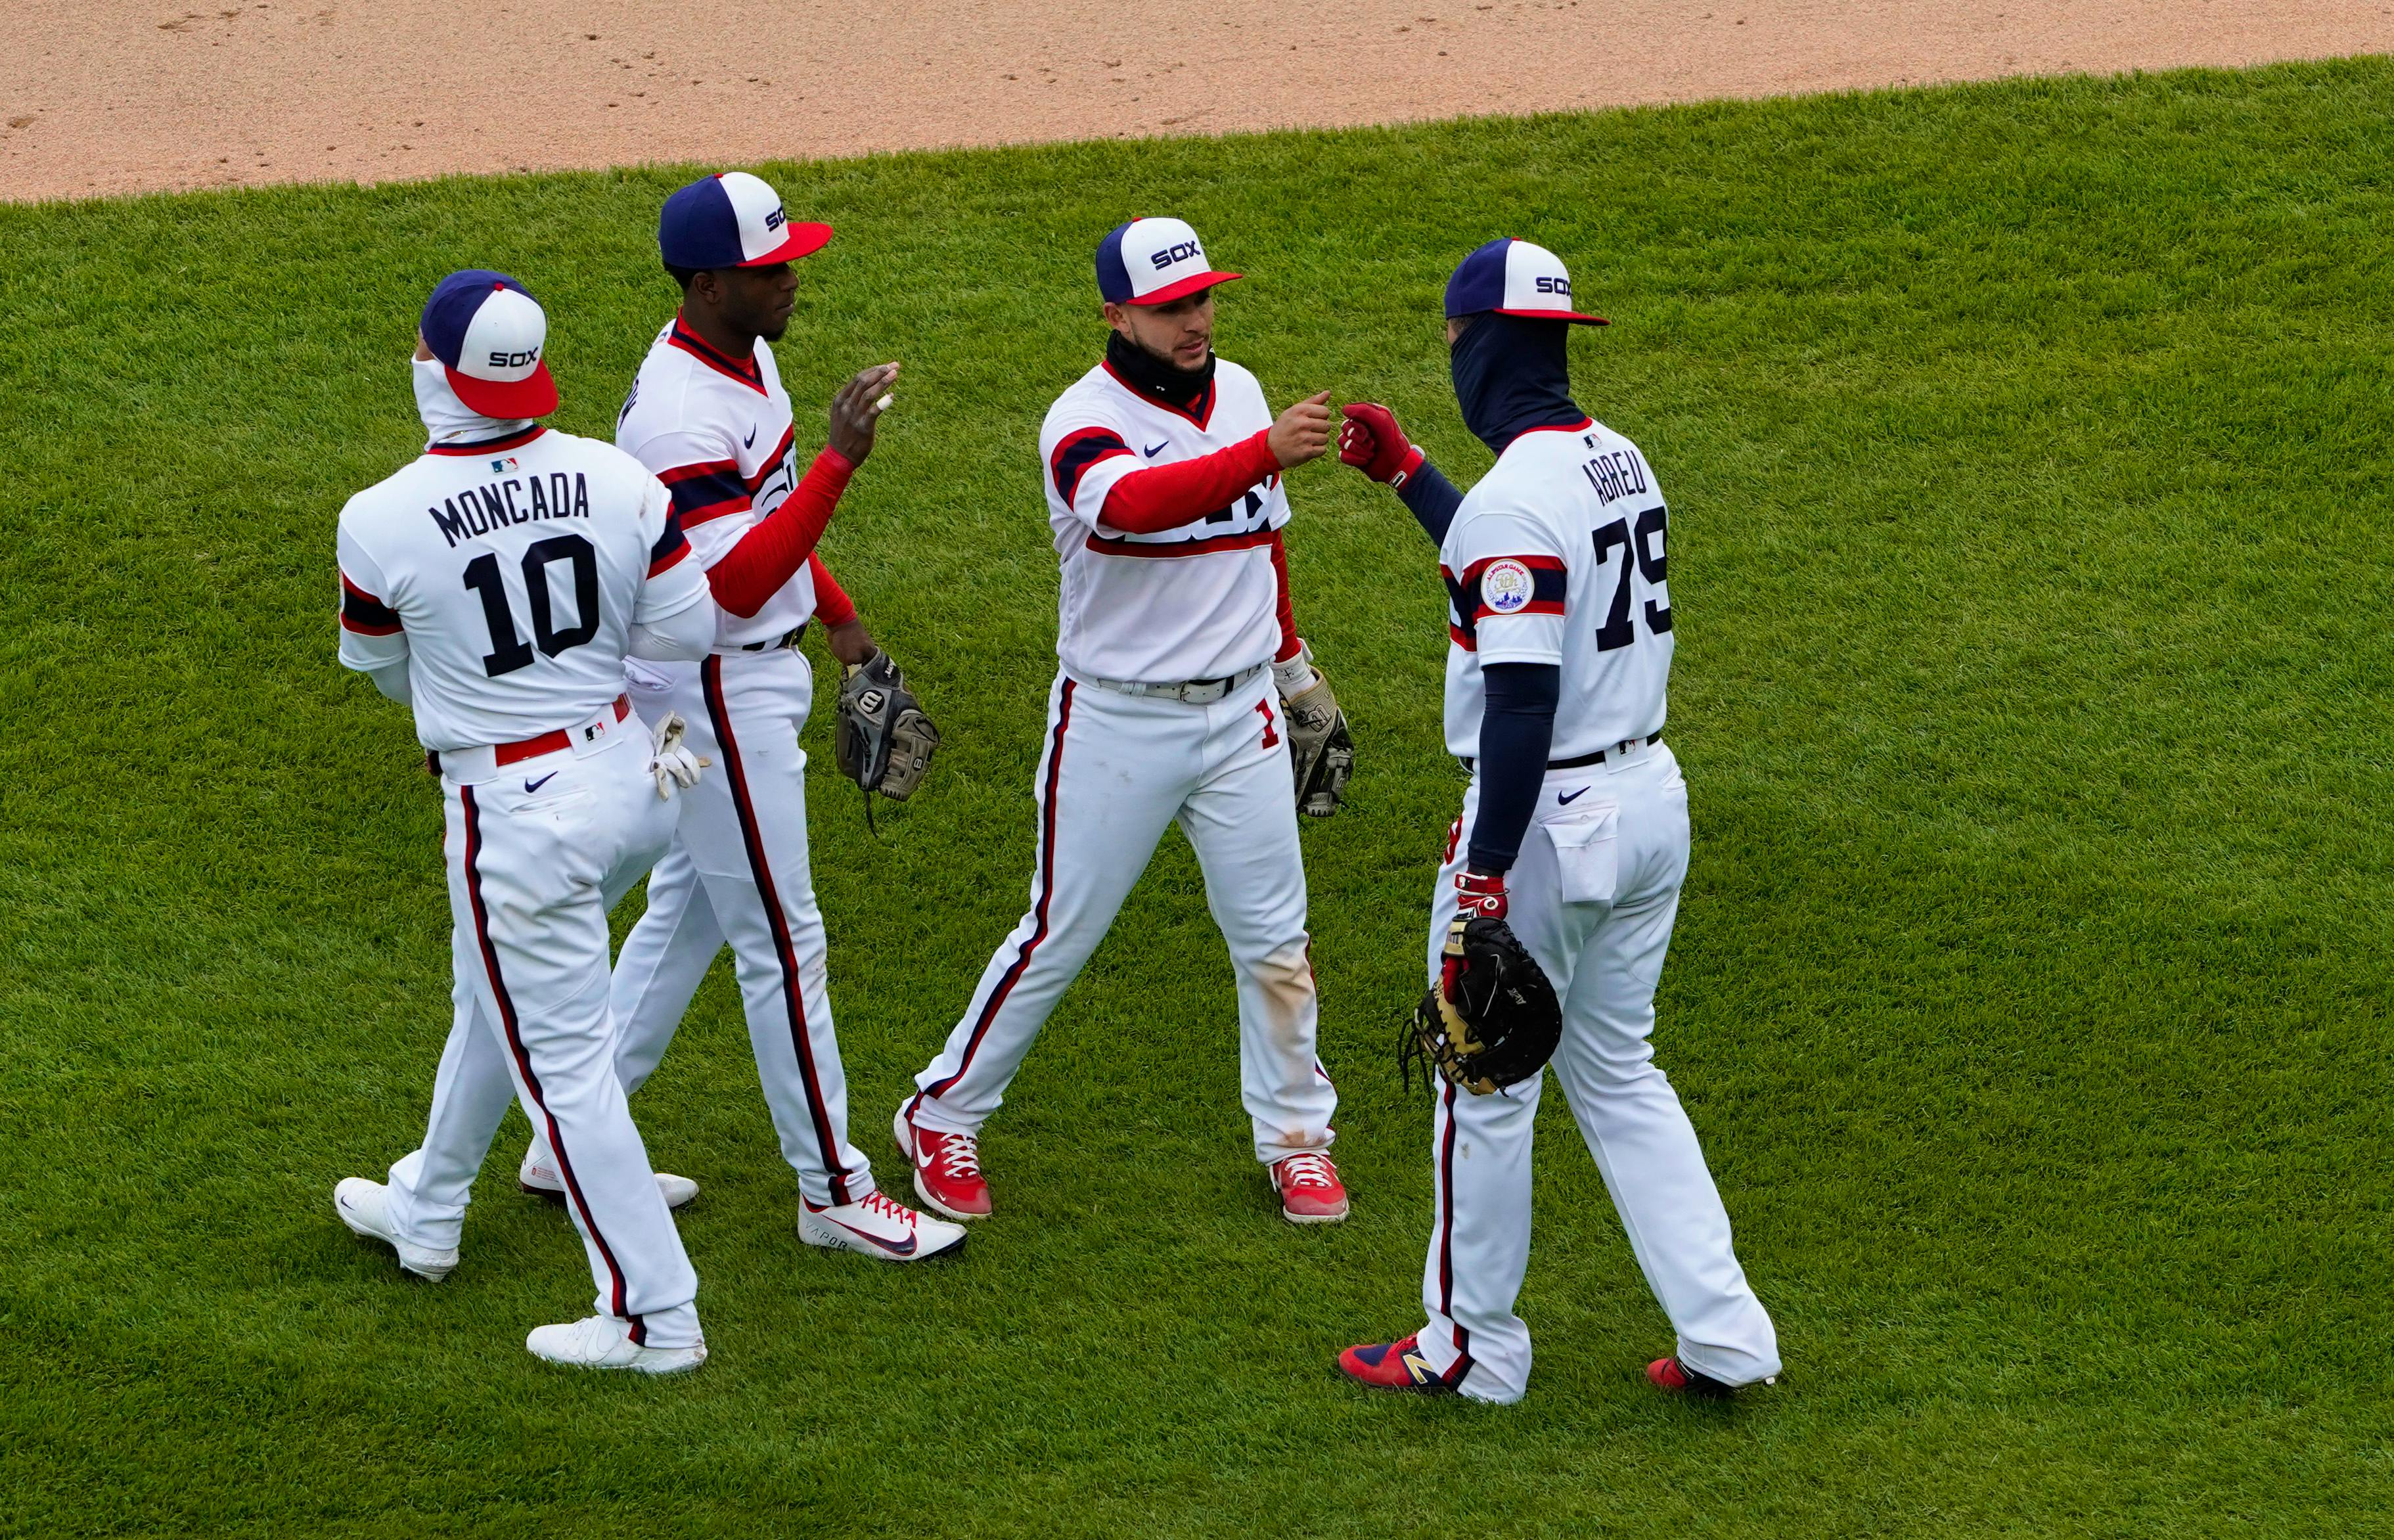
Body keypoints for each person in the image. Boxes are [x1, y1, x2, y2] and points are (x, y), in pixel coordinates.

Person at [1331, 238, 1779, 1403]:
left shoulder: (1518, 498)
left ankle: (1469, 1349)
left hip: (1546, 816)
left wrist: (1484, 882)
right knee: (1621, 1071)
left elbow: (1522, 697)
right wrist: (1412, 478)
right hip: (1650, 799)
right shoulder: (1617, 460)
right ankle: (1731, 1340)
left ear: (1477, 344)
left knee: (1481, 1080)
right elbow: (1510, 565)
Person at [527, 170, 968, 1262]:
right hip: (712, 691)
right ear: (708, 282)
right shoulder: (679, 417)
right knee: (782, 935)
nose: (792, 282)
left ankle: (565, 1148)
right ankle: (832, 1190)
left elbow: (765, 521)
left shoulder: (744, 354)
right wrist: (841, 464)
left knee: (690, 904)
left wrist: (845, 619)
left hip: (721, 683)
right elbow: (727, 586)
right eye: (770, 271)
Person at [893, 216, 1350, 1225]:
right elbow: (1133, 505)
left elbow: (1261, 542)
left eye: (1202, 298)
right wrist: (1261, 452)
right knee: (1060, 931)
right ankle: (942, 1112)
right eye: (1171, 307)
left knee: (1276, 942)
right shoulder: (1078, 420)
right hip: (1116, 722)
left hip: (1242, 722)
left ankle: (1295, 1140)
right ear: (1116, 314)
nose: (1196, 320)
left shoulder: (1239, 392)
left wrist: (1293, 666)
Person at [331, 269, 719, 1373]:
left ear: (436, 373)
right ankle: (430, 1206)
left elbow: (380, 671)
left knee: (566, 1074)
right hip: (636, 783)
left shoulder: (379, 517)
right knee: (486, 993)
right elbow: (683, 632)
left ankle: (658, 1319)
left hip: (516, 814)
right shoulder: (618, 476)